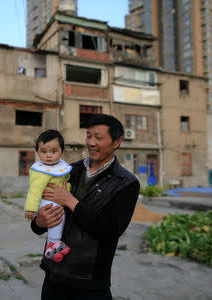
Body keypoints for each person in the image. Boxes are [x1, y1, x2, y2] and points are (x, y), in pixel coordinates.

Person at [31, 114, 140, 299]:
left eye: (98, 137)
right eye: (89, 136)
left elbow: (110, 231)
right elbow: (41, 218)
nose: (91, 142)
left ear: (117, 141)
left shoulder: (126, 183)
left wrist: (70, 201)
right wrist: (39, 222)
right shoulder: (67, 171)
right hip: (53, 276)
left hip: (89, 282)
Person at [24, 129, 72, 262]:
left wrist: (67, 193)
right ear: (37, 151)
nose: (48, 155)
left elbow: (65, 182)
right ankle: (51, 248)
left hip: (58, 200)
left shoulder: (62, 166)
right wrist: (30, 208)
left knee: (60, 221)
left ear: (62, 151)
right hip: (47, 202)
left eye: (53, 151)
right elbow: (34, 191)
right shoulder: (40, 171)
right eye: (43, 152)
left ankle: (55, 245)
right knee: (56, 220)